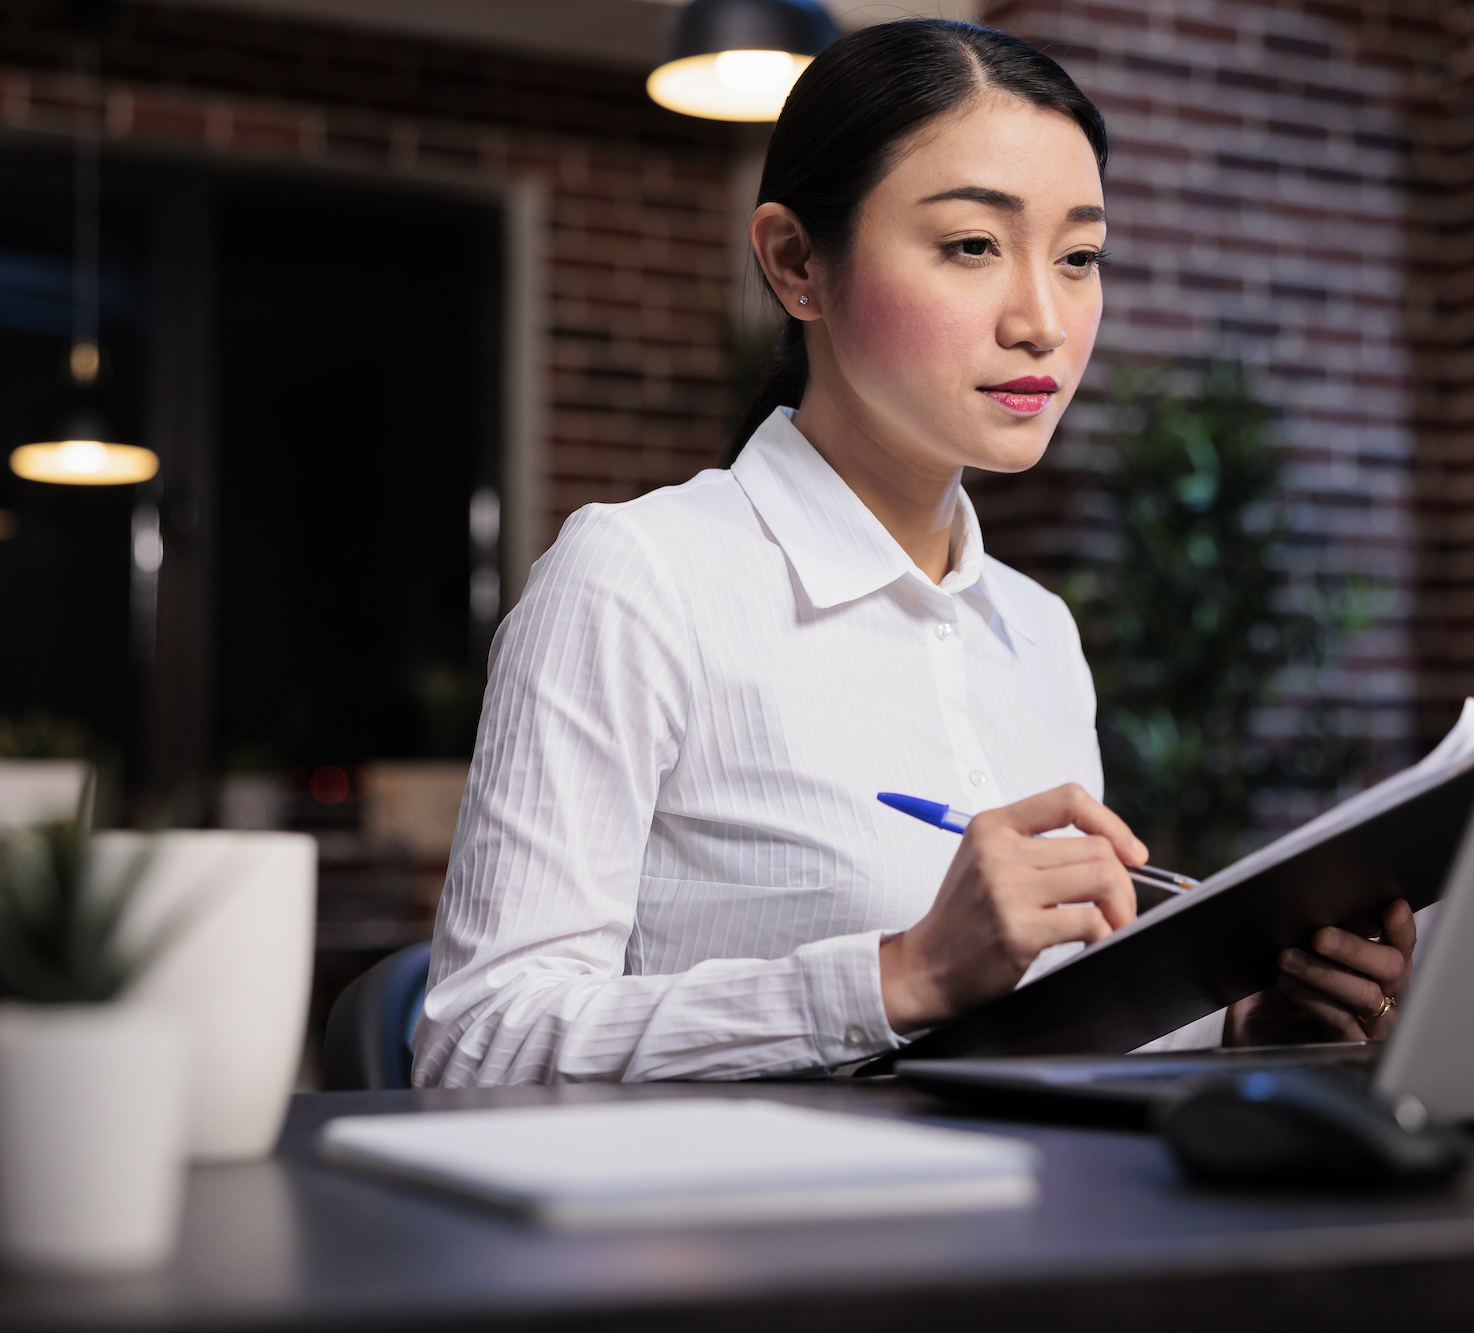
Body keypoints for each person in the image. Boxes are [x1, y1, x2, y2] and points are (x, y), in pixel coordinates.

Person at [413, 19, 1413, 1088]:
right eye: (972, 246)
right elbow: (478, 1043)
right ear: (798, 263)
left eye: (1078, 257)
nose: (1040, 320)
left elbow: (1028, 1029)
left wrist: (1240, 1028)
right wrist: (900, 975)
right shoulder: (639, 577)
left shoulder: (1035, 631)